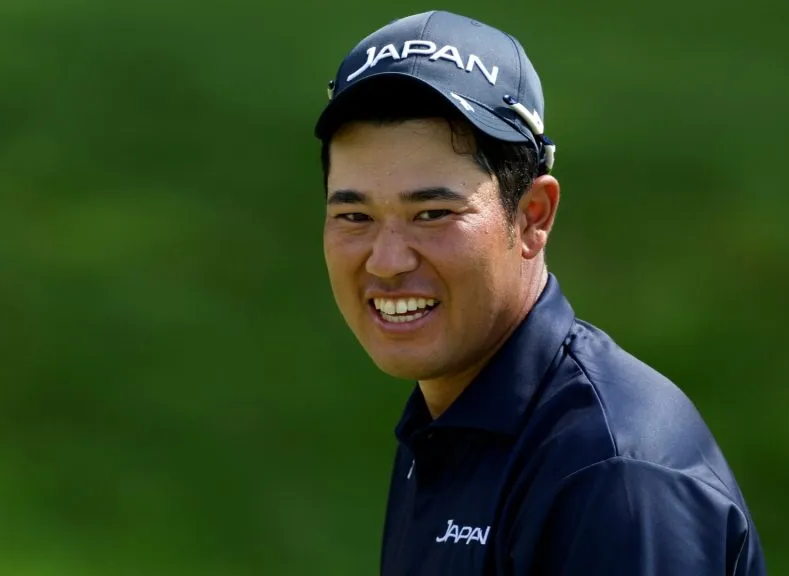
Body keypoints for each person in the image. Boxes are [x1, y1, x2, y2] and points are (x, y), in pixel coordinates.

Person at [314, 10, 766, 576]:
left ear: (532, 218)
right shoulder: (447, 422)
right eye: (355, 215)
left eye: (432, 213)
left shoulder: (611, 474)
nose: (386, 261)